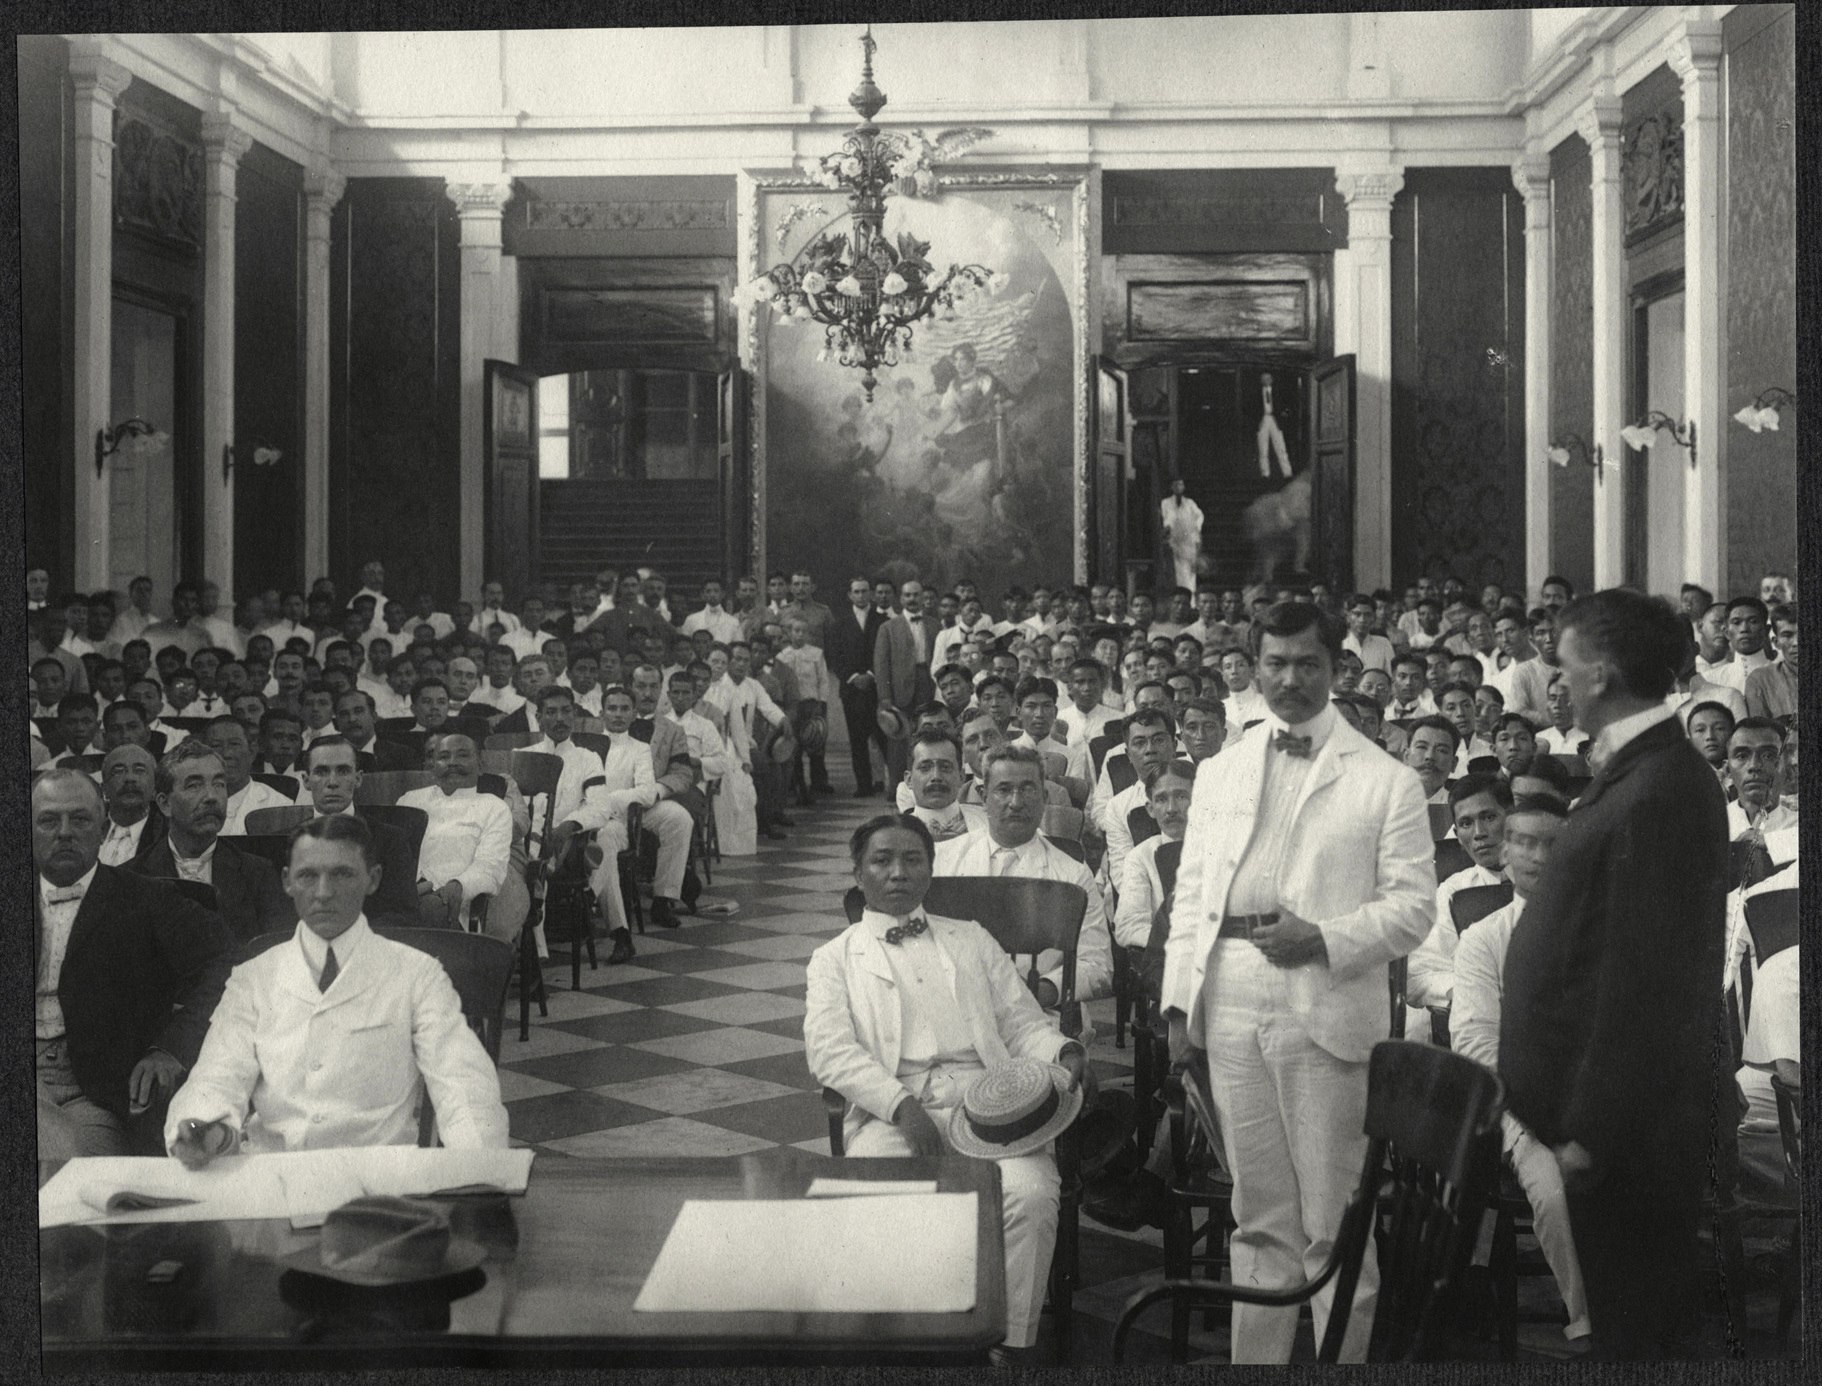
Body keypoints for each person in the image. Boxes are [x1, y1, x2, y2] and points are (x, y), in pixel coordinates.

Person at [1162, 600, 1434, 1363]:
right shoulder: (1222, 767)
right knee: (1257, 1217)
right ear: (1254, 664)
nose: (1288, 679)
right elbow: (1193, 892)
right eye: (1273, 663)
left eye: (1306, 663)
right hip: (1231, 990)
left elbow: (1413, 910)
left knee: (1333, 1222)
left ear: (1336, 667)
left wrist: (1323, 937)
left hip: (1327, 996)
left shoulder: (1386, 780)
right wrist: (1180, 1004)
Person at [1499, 589, 1728, 1359]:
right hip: (1605, 1126)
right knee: (1627, 1332)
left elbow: (1646, 984)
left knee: (1638, 1338)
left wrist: (1592, 1132)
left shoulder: (1660, 786)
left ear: (1599, 672)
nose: (1553, 681)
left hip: (1627, 1136)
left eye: (1562, 664)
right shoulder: (1639, 771)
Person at [804, 814, 1086, 1360]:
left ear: (931, 870)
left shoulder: (970, 939)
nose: (897, 872)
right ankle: (910, 1344)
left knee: (1029, 1195)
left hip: (989, 1105)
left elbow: (1022, 1022)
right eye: (881, 860)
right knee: (878, 1198)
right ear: (858, 873)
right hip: (894, 1109)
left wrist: (1062, 1051)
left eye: (912, 859)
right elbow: (829, 1051)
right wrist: (900, 1106)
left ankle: (1011, 1346)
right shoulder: (833, 959)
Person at [166, 813, 509, 1163]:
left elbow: (463, 1086)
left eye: (342, 874)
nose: (324, 893)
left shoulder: (417, 973)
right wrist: (209, 1130)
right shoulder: (253, 978)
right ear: (287, 882)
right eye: (307, 876)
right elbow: (217, 1076)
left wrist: (478, 1167)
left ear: (372, 879)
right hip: (273, 1176)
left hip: (377, 1184)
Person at [33, 768, 237, 1158]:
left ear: (104, 827)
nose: (64, 832)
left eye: (79, 819)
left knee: (76, 1174)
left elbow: (227, 963)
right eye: (48, 820)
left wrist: (171, 1049)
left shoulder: (146, 898)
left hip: (96, 1094)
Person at [1450, 794, 1590, 1343]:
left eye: (1553, 844)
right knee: (1560, 1194)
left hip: (1605, 1103)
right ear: (1504, 852)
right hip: (1526, 1107)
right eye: (1524, 842)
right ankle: (1591, 1328)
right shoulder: (1484, 940)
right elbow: (1477, 1044)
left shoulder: (1603, 929)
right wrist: (1542, 1111)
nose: (1537, 856)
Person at [933, 744, 1114, 1012]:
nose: (1016, 802)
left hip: (1039, 1012)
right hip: (955, 1008)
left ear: (1044, 796)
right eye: (1004, 790)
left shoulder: (1072, 875)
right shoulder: (943, 860)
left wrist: (1043, 990)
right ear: (983, 796)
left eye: (1028, 789)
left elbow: (1097, 964)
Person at [133, 738, 290, 941]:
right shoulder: (133, 877)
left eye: (219, 784)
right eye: (194, 786)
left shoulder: (259, 875)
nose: (211, 796)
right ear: (164, 804)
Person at [398, 733, 513, 935]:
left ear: (480, 765)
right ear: (433, 766)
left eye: (462, 755)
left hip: (452, 900)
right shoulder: (410, 800)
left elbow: (490, 865)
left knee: (428, 911)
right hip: (404, 894)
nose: (452, 763)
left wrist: (459, 885)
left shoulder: (494, 807)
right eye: (443, 757)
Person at [204, 715, 293, 835]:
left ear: (252, 751)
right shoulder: (190, 801)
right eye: (216, 746)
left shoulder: (280, 805)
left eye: (234, 744)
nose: (226, 753)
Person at [1743, 604, 1797, 721]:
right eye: (1787, 635)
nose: (1796, 642)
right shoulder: (1760, 680)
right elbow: (1761, 733)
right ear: (1776, 642)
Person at [1161, 478, 1205, 590]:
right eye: (1175, 485)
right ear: (1171, 487)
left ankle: (1191, 600)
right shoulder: (1166, 502)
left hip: (1189, 541)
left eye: (1180, 485)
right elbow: (1168, 518)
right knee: (1176, 572)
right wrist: (1168, 529)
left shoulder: (1190, 503)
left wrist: (1196, 529)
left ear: (1183, 487)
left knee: (1190, 574)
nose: (1178, 487)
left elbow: (1199, 516)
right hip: (1174, 541)